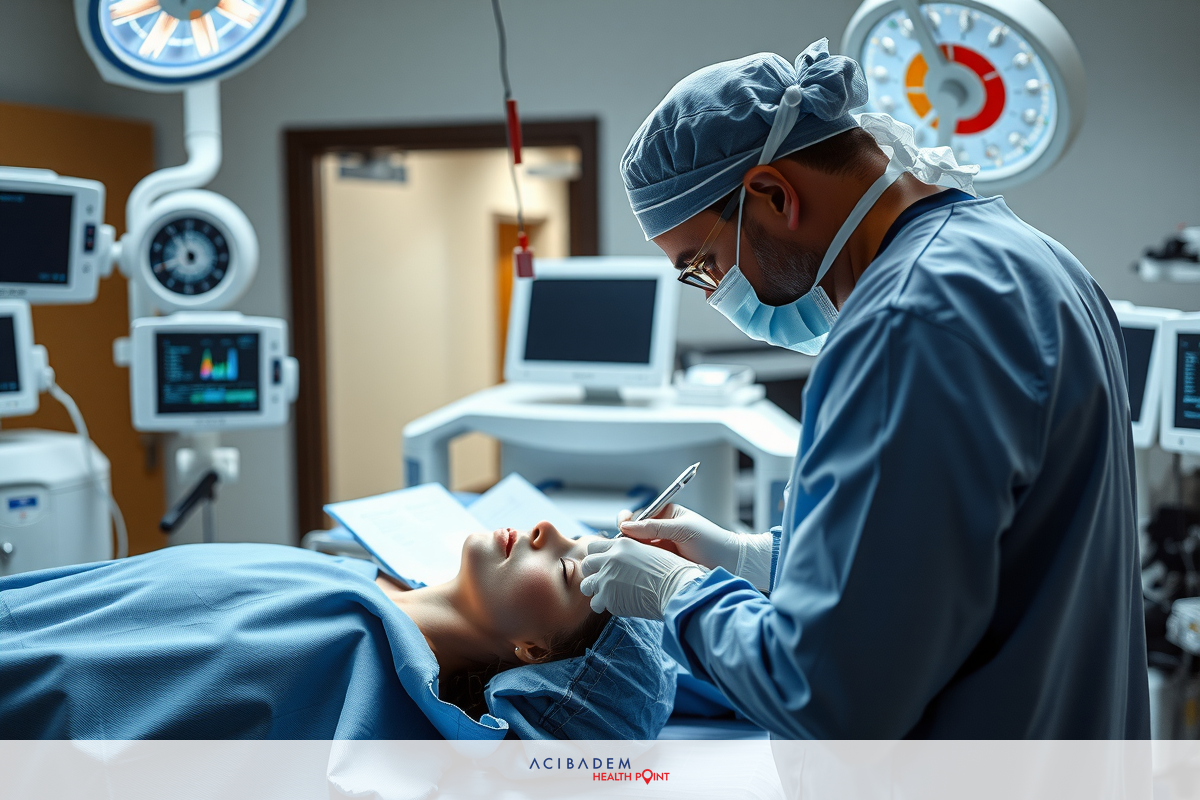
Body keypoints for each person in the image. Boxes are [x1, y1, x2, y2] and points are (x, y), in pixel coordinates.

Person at [581, 39, 1150, 738]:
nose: (712, 293)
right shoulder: (1032, 261)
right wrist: (750, 559)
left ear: (772, 194)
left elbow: (825, 691)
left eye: (701, 266)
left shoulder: (904, 325)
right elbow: (963, 558)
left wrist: (681, 595)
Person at [0, 522, 673, 739]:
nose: (545, 531)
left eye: (561, 567)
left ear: (533, 654)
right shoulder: (353, 581)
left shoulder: (351, 673)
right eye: (578, 535)